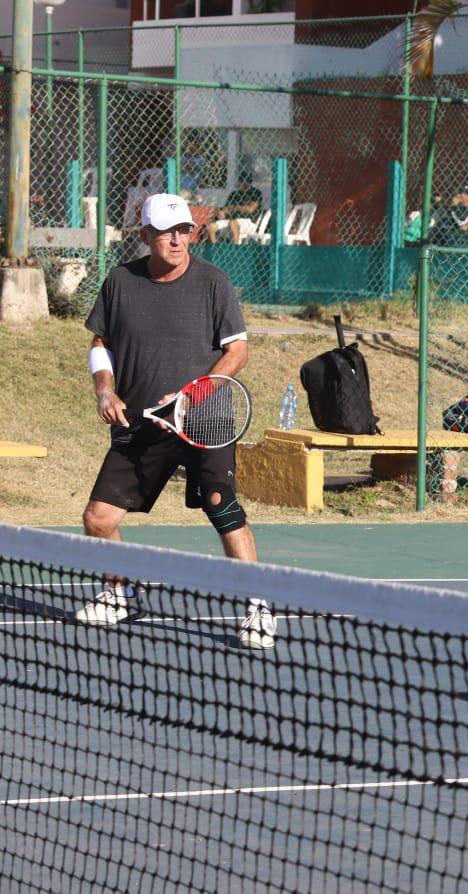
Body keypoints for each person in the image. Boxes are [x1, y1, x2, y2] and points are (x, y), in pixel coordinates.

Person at [79, 193, 277, 650]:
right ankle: (119, 591)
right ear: (144, 236)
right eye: (166, 231)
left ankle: (258, 607)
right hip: (143, 424)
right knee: (97, 518)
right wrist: (104, 389)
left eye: (184, 229)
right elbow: (100, 342)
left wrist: (192, 394)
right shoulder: (120, 282)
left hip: (204, 421)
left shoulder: (213, 282)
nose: (177, 239)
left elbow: (238, 352)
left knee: (223, 508)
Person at [205, 174, 264, 245]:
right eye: (242, 182)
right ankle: (215, 250)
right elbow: (226, 209)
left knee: (233, 223)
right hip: (231, 220)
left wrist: (234, 207)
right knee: (212, 227)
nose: (244, 184)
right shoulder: (234, 194)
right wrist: (222, 213)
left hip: (249, 222)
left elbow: (250, 209)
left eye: (247, 182)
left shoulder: (255, 193)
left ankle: (234, 249)